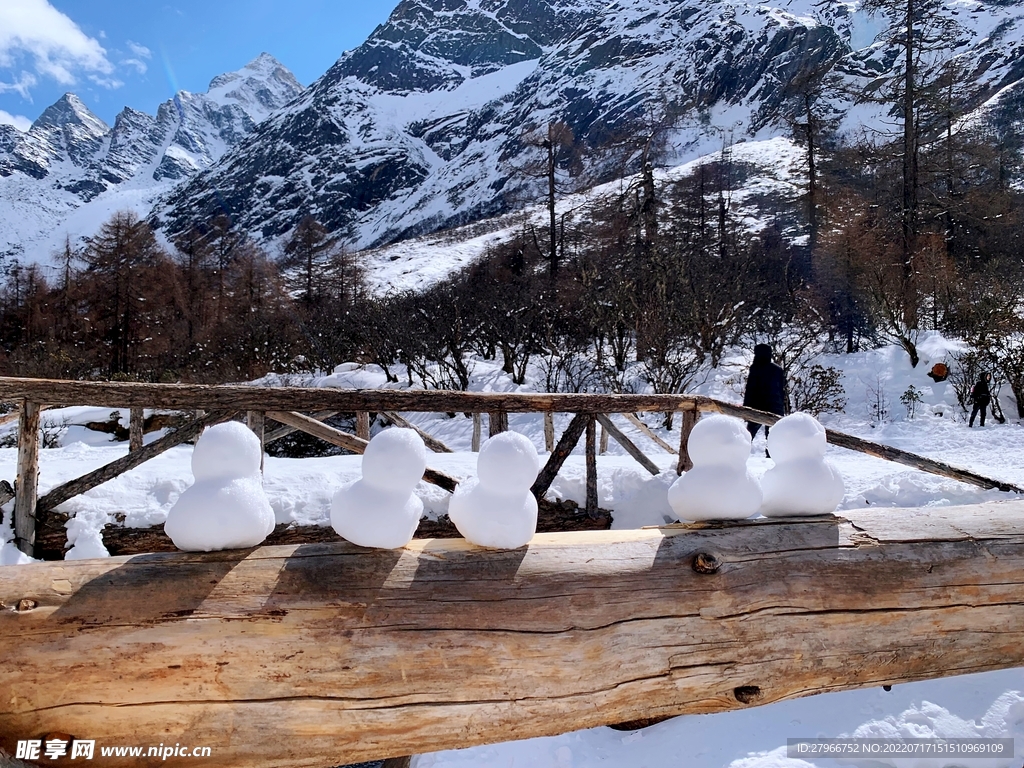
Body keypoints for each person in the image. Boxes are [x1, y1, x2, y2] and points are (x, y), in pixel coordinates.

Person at [743, 343, 786, 454]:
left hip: (756, 406)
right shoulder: (778, 370)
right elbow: (782, 391)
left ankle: (739, 453)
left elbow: (750, 389)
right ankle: (772, 457)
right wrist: (782, 409)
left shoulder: (755, 368)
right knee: (773, 435)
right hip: (775, 407)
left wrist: (746, 408)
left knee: (748, 434)